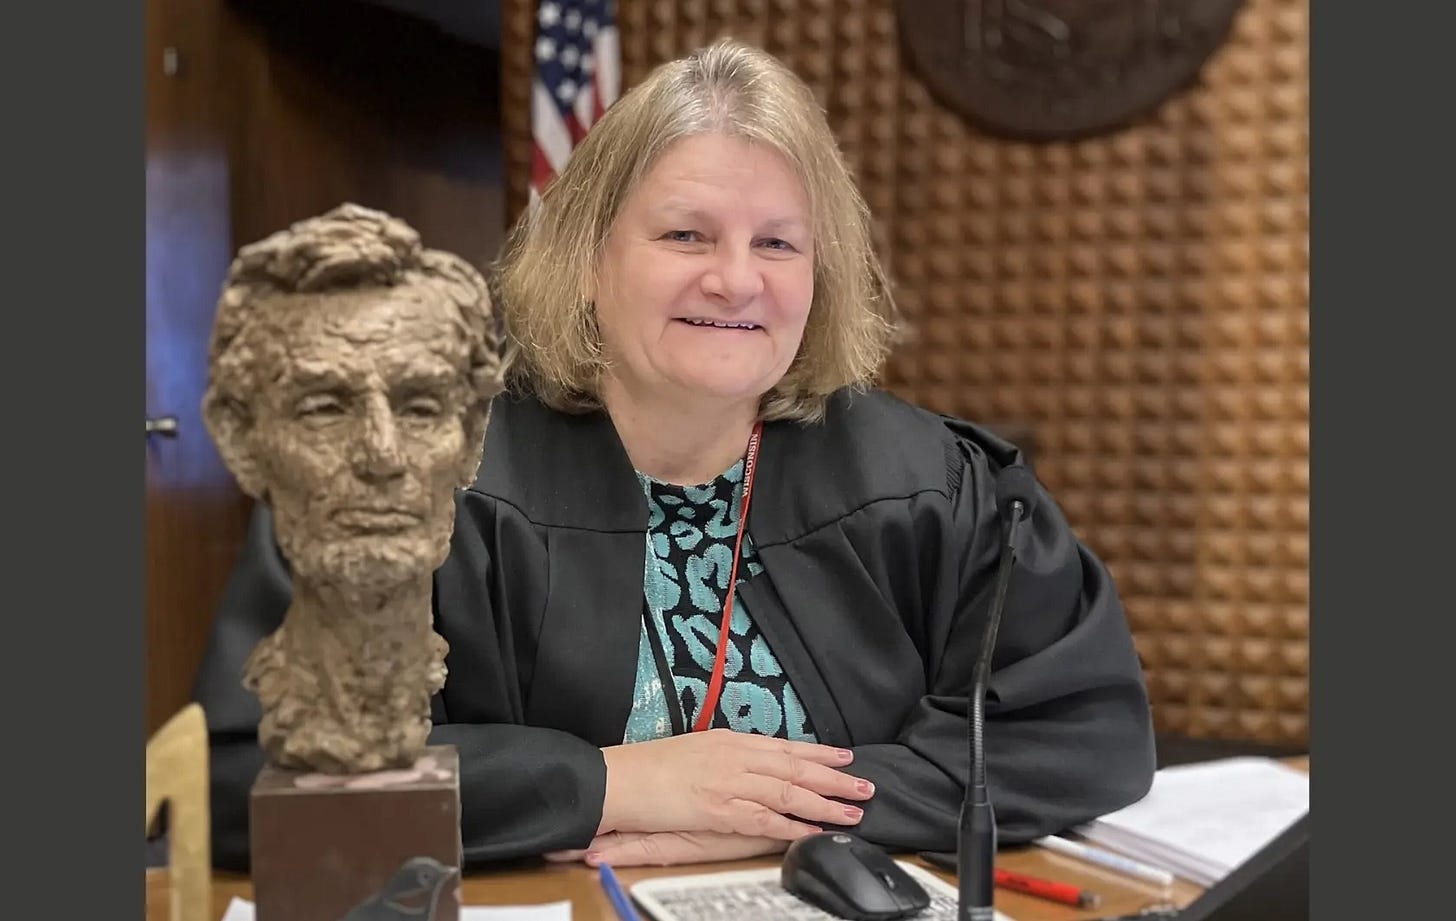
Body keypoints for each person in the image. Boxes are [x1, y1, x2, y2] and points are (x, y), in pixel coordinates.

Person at [194, 38, 1155, 873]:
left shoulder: (929, 483)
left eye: (778, 242)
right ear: (587, 255)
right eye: (686, 232)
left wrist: (777, 816)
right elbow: (250, 778)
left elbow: (1087, 737)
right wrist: (606, 784)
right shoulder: (411, 474)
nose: (735, 278)